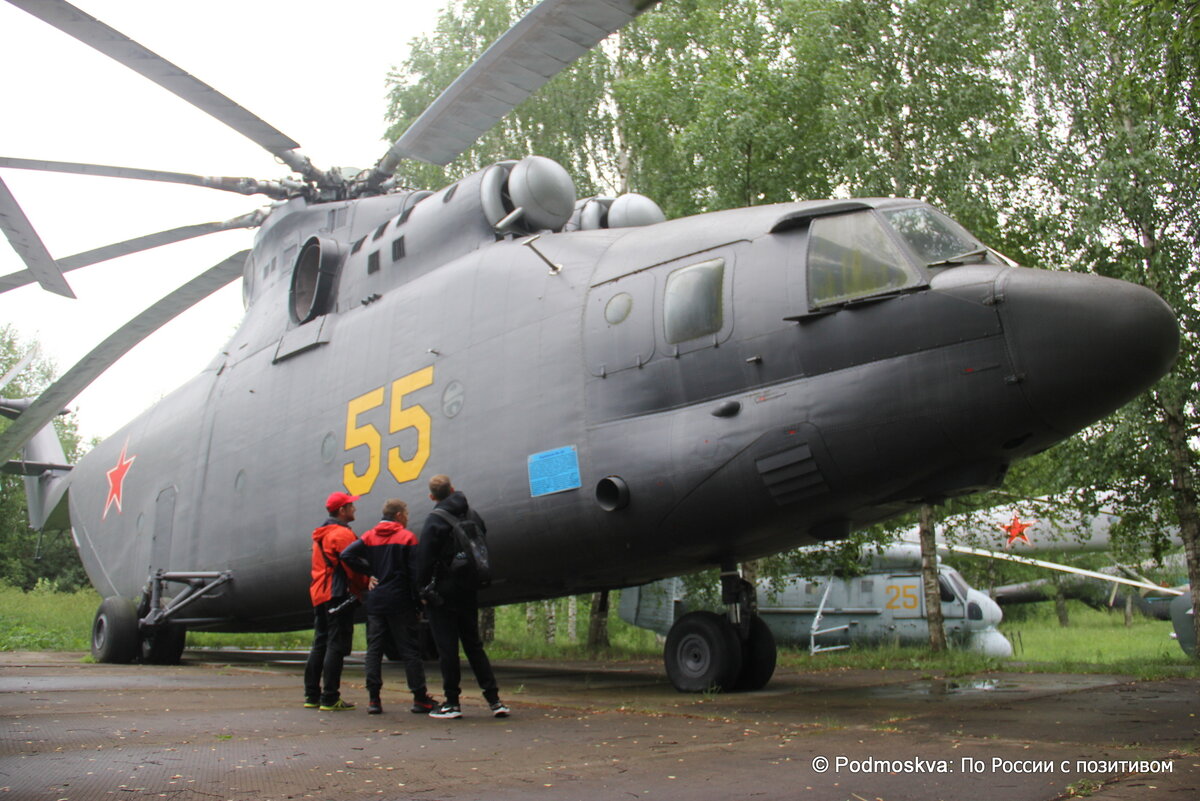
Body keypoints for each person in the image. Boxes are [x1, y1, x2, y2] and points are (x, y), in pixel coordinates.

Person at [415, 474, 509, 719]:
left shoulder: (435, 520)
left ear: (432, 496)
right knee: (474, 645)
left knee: (448, 649)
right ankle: (494, 700)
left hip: (443, 594)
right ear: (453, 489)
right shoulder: (473, 514)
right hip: (468, 588)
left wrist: (423, 591)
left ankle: (452, 703)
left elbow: (424, 559)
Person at [340, 498, 437, 715]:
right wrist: (420, 598)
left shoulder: (369, 536)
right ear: (399, 515)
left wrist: (368, 572)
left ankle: (374, 700)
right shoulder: (407, 537)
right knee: (410, 650)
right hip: (400, 601)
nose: (407, 518)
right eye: (406, 514)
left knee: (374, 650)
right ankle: (420, 698)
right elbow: (415, 574)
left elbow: (346, 555)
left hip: (376, 601)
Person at [303, 491, 368, 712]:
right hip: (337, 594)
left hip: (320, 593)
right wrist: (366, 583)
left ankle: (312, 695)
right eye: (351, 506)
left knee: (320, 643)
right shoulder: (340, 534)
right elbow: (352, 565)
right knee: (336, 644)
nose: (354, 509)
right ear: (342, 510)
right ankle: (330, 697)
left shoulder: (321, 534)